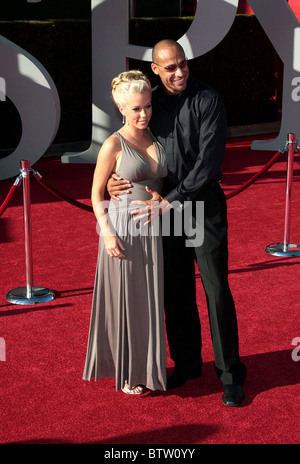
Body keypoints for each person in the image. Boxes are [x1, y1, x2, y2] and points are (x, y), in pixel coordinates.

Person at [107, 40, 247, 406]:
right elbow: (129, 147)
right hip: (163, 210)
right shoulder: (149, 103)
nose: (179, 72)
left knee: (215, 289)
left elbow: (208, 164)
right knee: (176, 290)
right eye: (169, 67)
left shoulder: (208, 100)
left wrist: (170, 202)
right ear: (156, 69)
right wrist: (111, 179)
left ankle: (230, 373)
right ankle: (186, 364)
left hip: (199, 207)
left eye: (182, 64)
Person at [82, 70, 168, 395]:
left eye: (147, 106)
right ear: (122, 108)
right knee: (128, 300)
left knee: (149, 301)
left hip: (155, 229)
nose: (143, 114)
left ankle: (149, 367)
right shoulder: (112, 144)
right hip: (123, 230)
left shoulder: (156, 136)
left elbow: (160, 183)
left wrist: (160, 196)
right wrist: (106, 233)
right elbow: (94, 195)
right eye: (136, 108)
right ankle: (129, 372)